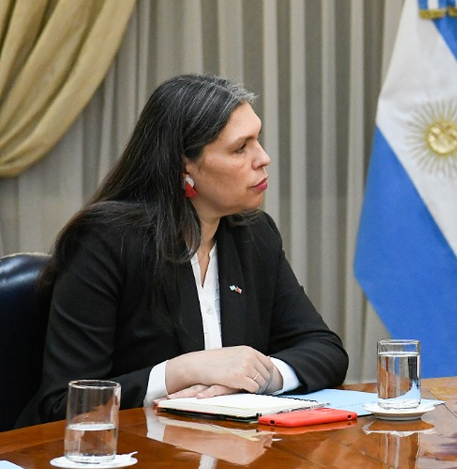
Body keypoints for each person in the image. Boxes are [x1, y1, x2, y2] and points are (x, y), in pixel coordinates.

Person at [18, 75, 349, 426]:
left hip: (227, 455)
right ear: (184, 167)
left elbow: (325, 350)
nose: (263, 158)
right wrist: (181, 371)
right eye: (241, 148)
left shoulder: (254, 235)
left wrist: (261, 377)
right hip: (128, 461)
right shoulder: (105, 242)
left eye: (258, 140)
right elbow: (65, 402)